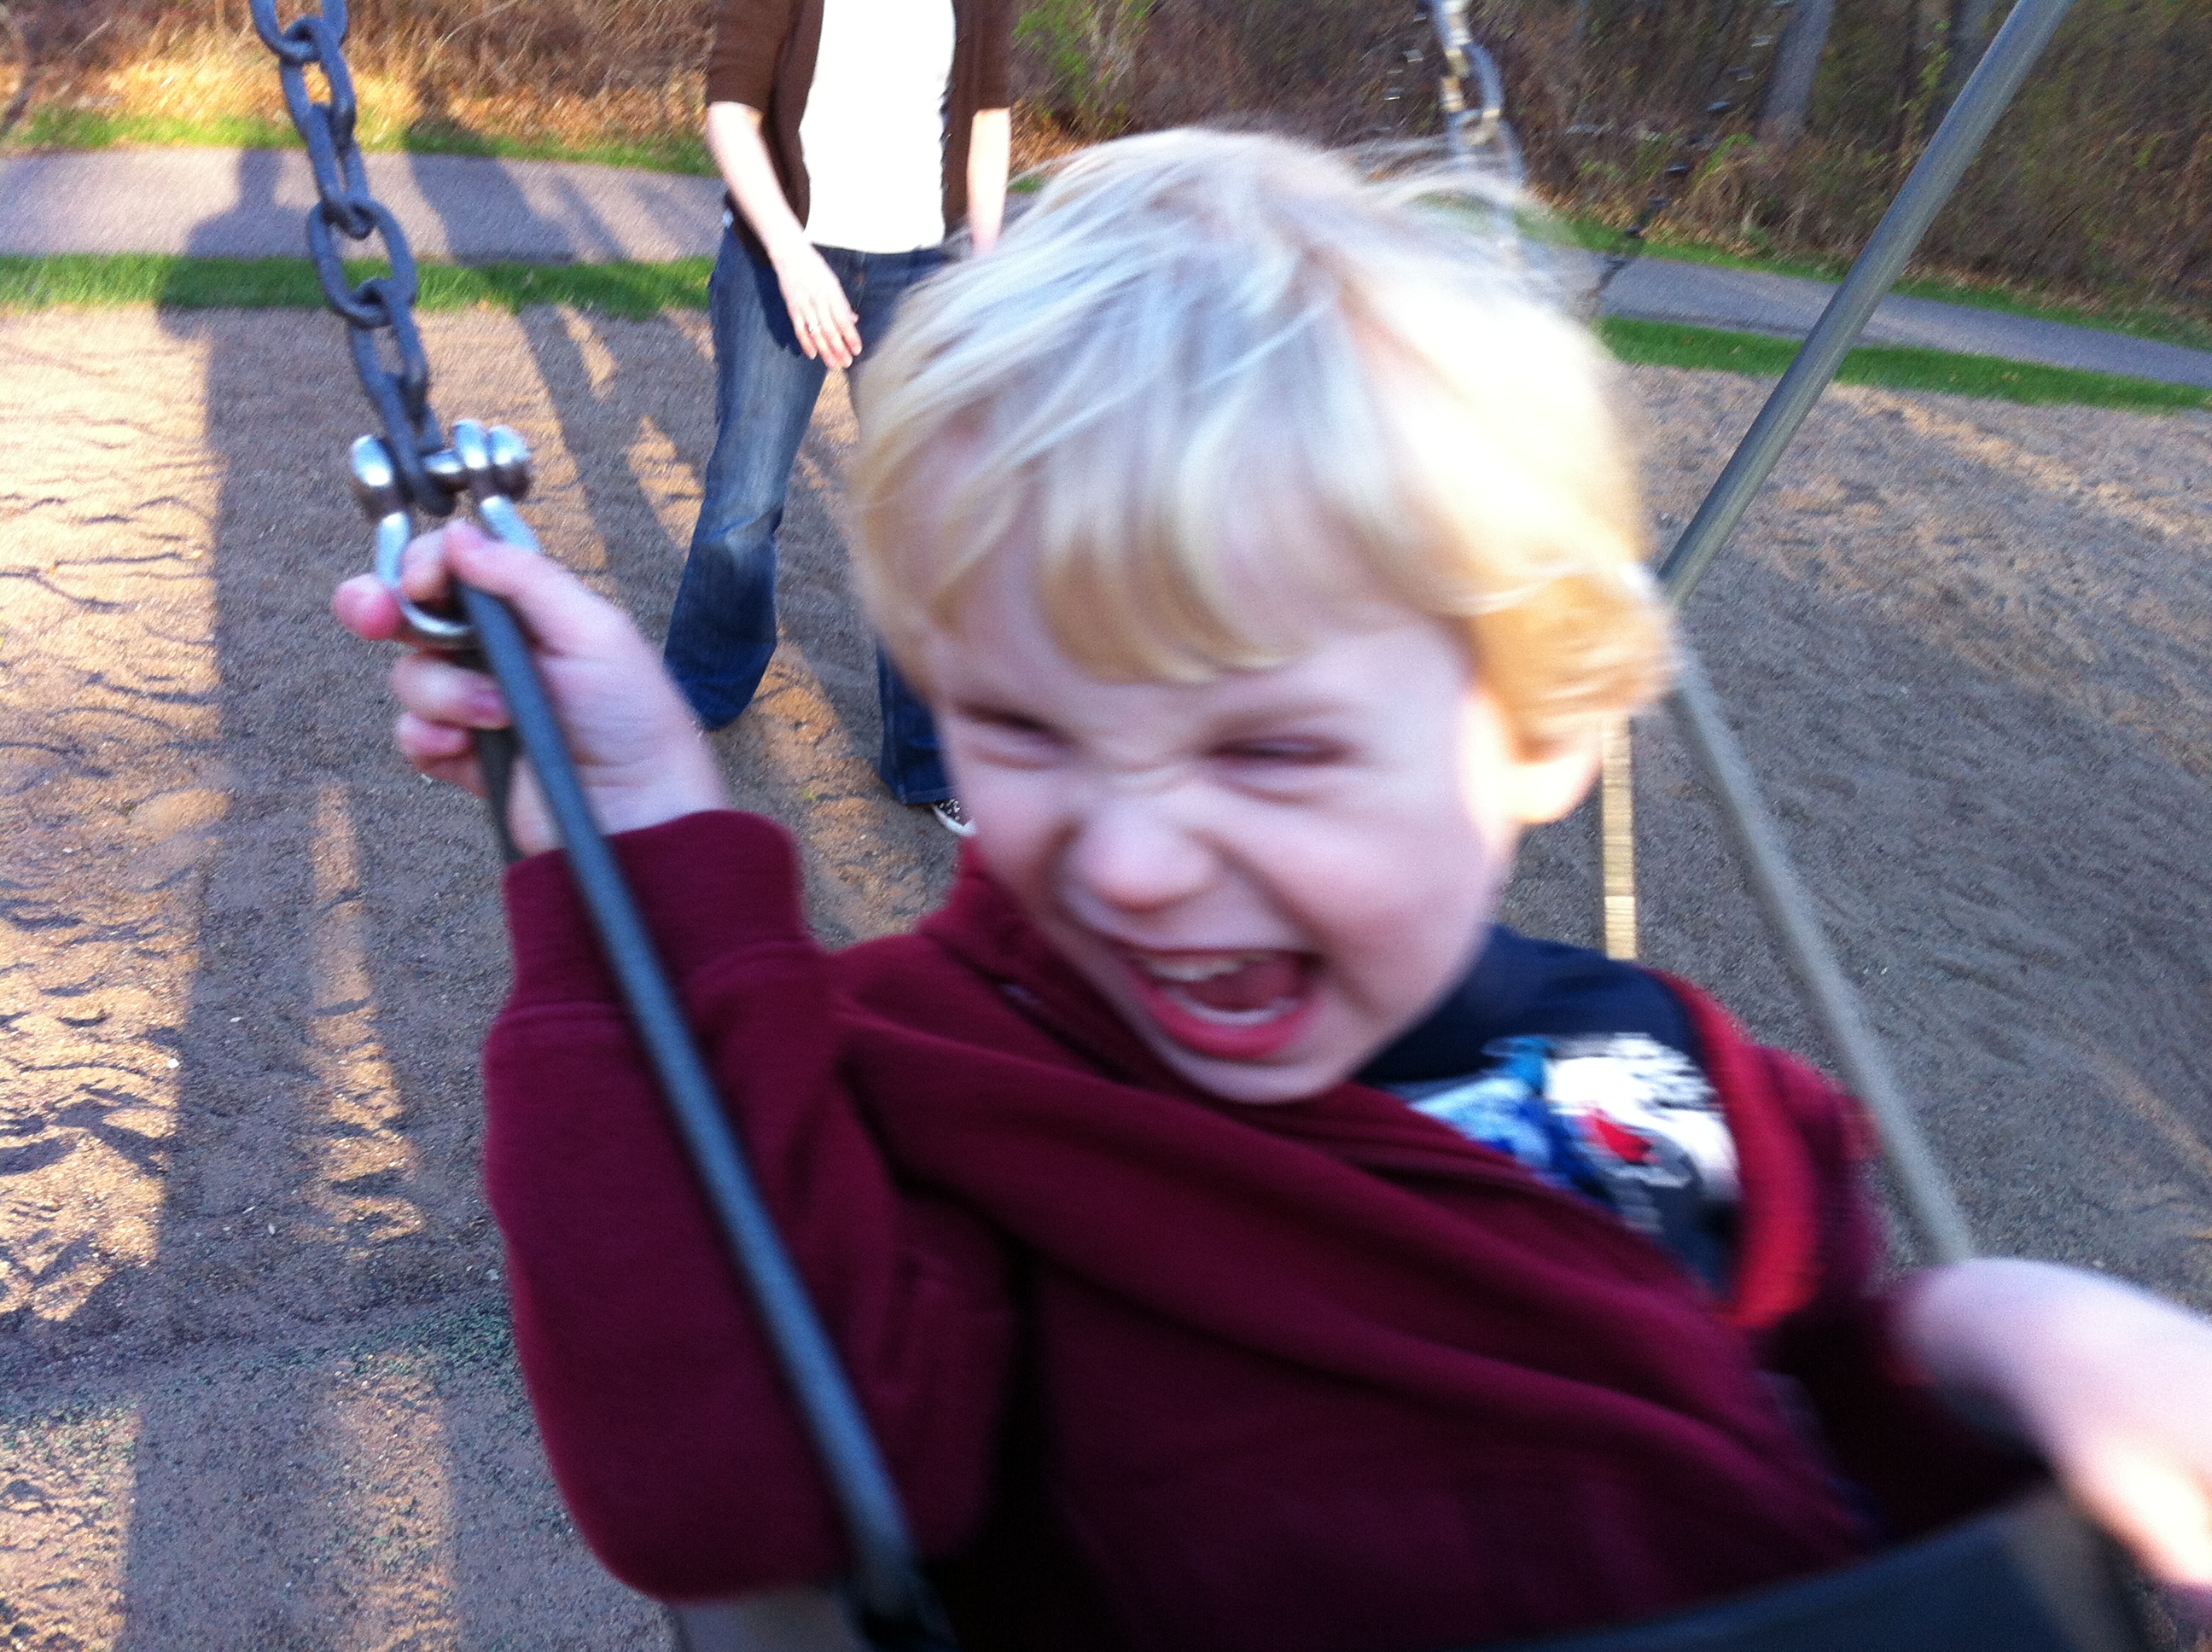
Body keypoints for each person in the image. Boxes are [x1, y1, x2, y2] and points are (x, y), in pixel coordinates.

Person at [334, 131, 2212, 1649]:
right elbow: (726, 1482)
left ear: (1542, 725)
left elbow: (1802, 1436)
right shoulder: (938, 1079)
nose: (1131, 861)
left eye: (1274, 750)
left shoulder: (1670, 1070)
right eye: (1023, 727)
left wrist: (1998, 1336)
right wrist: (645, 845)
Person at [665, 0, 1014, 835]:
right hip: (778, 261)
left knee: (921, 516)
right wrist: (793, 258)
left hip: (920, 271)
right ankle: (701, 691)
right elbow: (730, 115)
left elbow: (988, 116)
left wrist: (989, 271)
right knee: (744, 500)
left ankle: (927, 758)